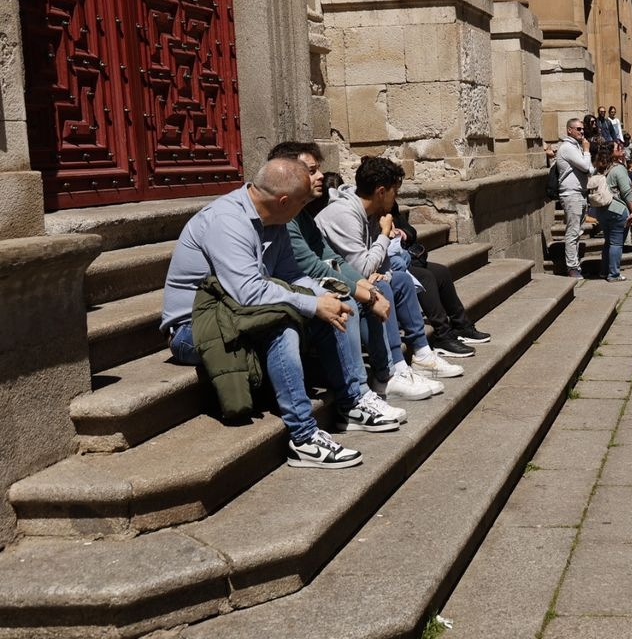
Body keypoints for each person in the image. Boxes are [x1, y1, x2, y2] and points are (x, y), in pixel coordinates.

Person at [160, 159, 401, 470]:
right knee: (281, 326)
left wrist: (326, 298)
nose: (304, 210)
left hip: (238, 315)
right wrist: (313, 305)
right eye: (302, 203)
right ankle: (303, 438)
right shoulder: (227, 222)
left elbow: (292, 275)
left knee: (332, 308)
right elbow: (249, 292)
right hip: (193, 329)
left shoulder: (274, 219)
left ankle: (351, 402)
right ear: (284, 201)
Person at [269, 143, 440, 404]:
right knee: (350, 300)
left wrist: (367, 284)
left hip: (312, 281)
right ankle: (359, 393)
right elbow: (316, 267)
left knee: (395, 282)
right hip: (288, 292)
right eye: (312, 171)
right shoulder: (313, 215)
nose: (321, 177)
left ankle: (403, 365)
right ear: (286, 173)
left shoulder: (300, 215)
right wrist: (366, 291)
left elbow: (331, 258)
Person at [316, 156, 483, 369]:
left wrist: (384, 272)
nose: (396, 198)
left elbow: (381, 262)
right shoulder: (344, 214)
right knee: (384, 286)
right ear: (381, 192)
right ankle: (394, 367)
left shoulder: (373, 213)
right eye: (395, 191)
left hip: (361, 278)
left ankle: (422, 353)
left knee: (401, 280)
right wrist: (385, 234)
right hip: (336, 283)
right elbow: (363, 268)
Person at [555, 118, 592, 279]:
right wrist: (587, 151)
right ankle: (572, 267)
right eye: (578, 129)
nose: (582, 132)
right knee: (573, 232)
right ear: (569, 130)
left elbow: (590, 169)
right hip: (571, 194)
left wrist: (585, 156)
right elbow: (585, 166)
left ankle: (575, 264)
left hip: (580, 193)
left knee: (577, 231)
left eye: (582, 129)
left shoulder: (576, 147)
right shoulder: (567, 147)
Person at [594, 142, 632, 283]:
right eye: (618, 148)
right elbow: (626, 192)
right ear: (612, 153)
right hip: (617, 209)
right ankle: (614, 274)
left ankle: (604, 271)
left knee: (609, 242)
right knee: (616, 243)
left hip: (601, 210)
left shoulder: (599, 169)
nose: (622, 149)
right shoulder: (618, 169)